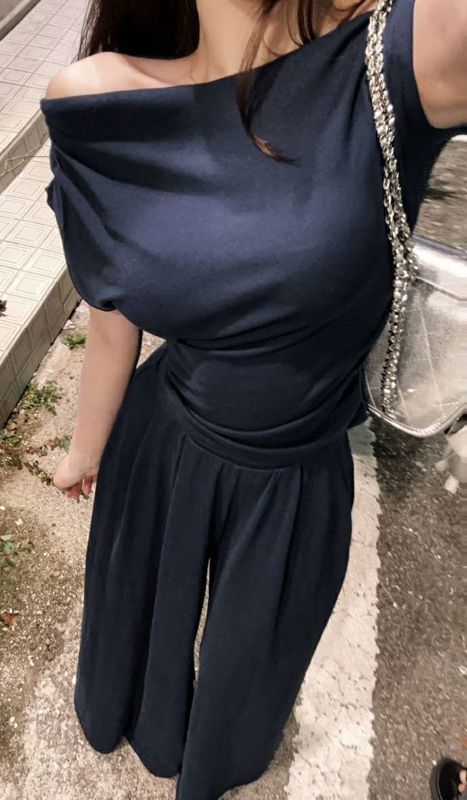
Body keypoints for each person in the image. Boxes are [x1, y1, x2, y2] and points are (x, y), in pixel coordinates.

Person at [40, 0, 467, 797]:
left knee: (250, 671)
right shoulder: (97, 97)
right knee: (133, 627)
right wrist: (83, 451)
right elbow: (110, 317)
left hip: (294, 472)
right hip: (162, 439)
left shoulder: (397, 54)